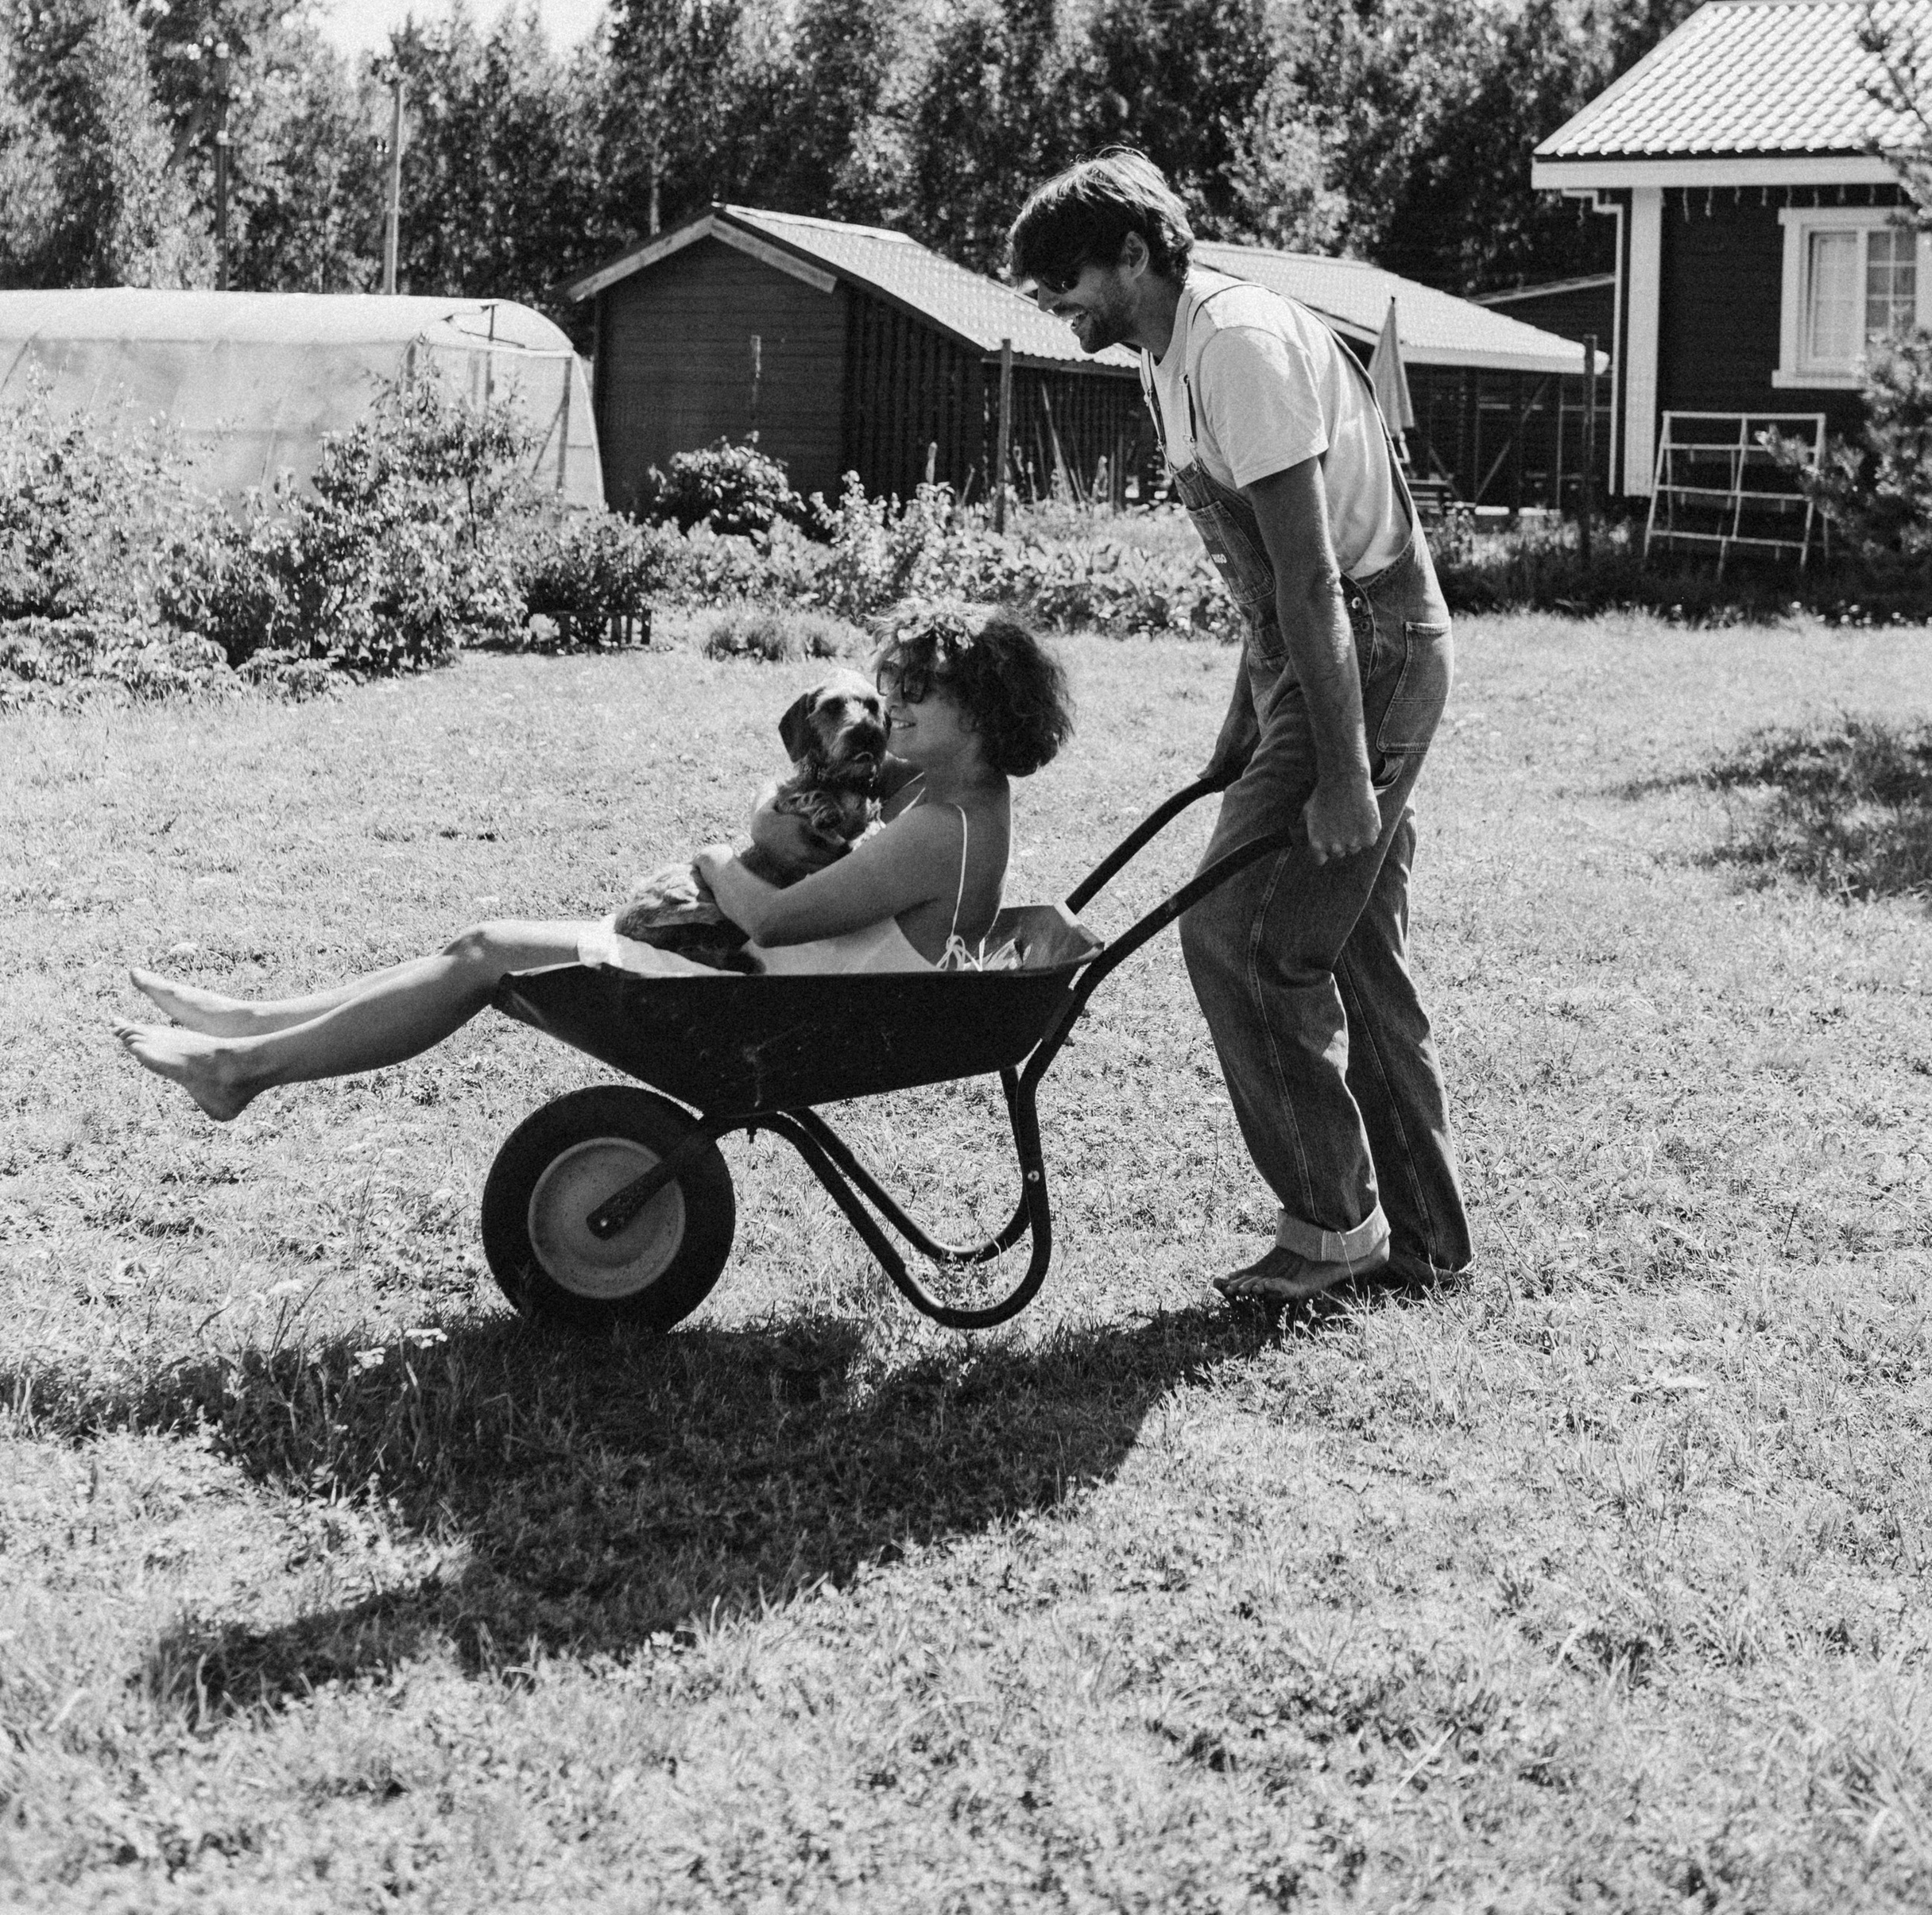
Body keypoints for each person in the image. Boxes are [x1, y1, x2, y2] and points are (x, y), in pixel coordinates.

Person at [1009, 148, 1471, 1309]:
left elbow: (1317, 581)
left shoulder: (1237, 348)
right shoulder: (1173, 356)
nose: (1056, 307)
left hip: (1370, 651)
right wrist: (1244, 725)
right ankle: (1424, 1243)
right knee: (1352, 950)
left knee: (1242, 937)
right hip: (1323, 658)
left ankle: (1332, 1229)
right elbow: (1262, 582)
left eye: (1067, 281)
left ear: (1135, 252)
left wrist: (1344, 773)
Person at [117, 609, 1074, 1125]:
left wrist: (710, 852)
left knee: (485, 951)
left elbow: (769, 918)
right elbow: (948, 901)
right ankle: (249, 1027)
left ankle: (243, 1067)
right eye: (891, 686)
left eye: (916, 693)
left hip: (764, 996)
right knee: (479, 944)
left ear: (979, 711)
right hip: (788, 991)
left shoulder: (932, 826)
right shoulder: (966, 796)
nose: (892, 707)